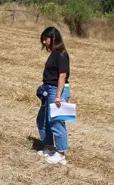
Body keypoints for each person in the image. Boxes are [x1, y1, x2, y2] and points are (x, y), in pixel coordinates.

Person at [36, 27, 71, 165]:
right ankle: (50, 147)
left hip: (58, 90)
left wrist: (58, 96)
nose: (44, 42)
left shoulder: (61, 54)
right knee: (42, 121)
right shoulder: (54, 53)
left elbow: (62, 75)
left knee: (57, 122)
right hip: (50, 89)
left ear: (54, 38)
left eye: (46, 39)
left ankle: (61, 153)